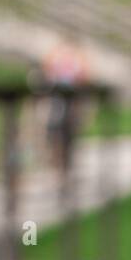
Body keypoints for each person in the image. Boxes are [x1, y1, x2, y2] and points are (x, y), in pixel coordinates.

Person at [40, 36, 90, 173]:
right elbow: (46, 70)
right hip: (57, 96)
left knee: (70, 127)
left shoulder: (78, 57)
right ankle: (55, 156)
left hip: (72, 98)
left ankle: (65, 158)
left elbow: (85, 75)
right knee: (54, 125)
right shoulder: (56, 55)